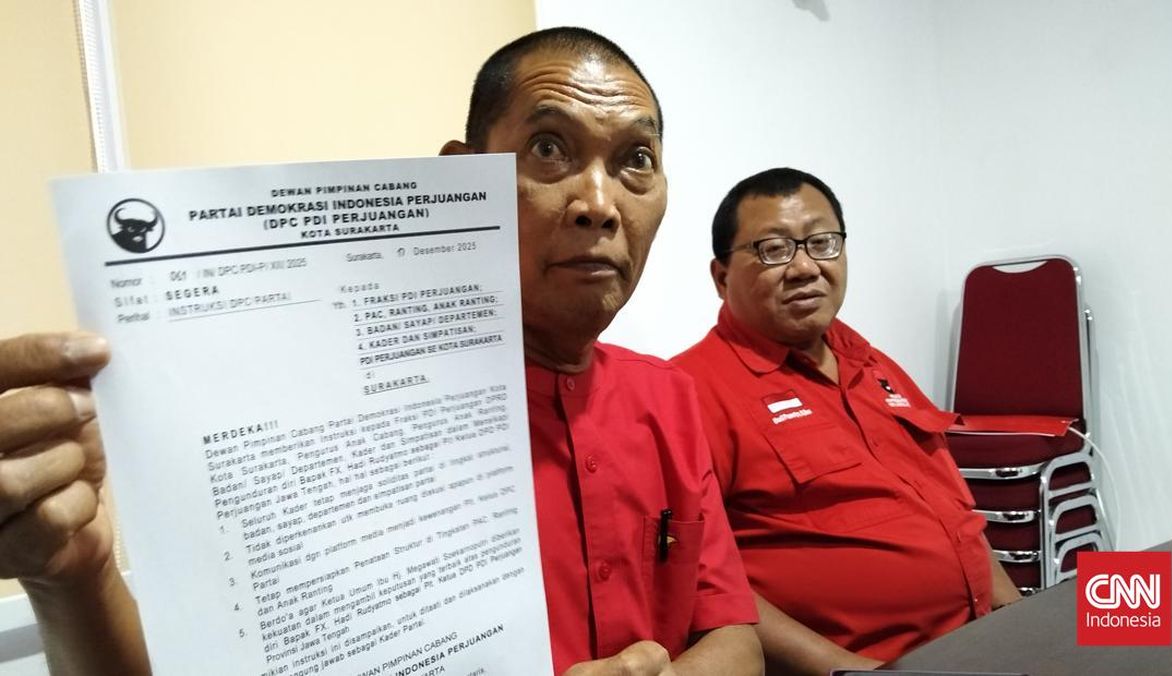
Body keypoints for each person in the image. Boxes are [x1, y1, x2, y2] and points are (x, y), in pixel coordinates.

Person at [0, 28, 761, 676]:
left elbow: (735, 636)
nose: (598, 205)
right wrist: (75, 577)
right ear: (463, 177)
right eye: (549, 148)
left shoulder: (667, 396)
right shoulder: (329, 429)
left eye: (635, 159)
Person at [672, 167, 1021, 675]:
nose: (805, 267)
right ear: (721, 277)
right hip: (874, 666)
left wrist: (1017, 618)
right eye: (774, 249)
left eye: (822, 243)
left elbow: (951, 512)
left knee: (1135, 615)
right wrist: (850, 670)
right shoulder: (691, 391)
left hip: (979, 644)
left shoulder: (869, 361)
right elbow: (703, 583)